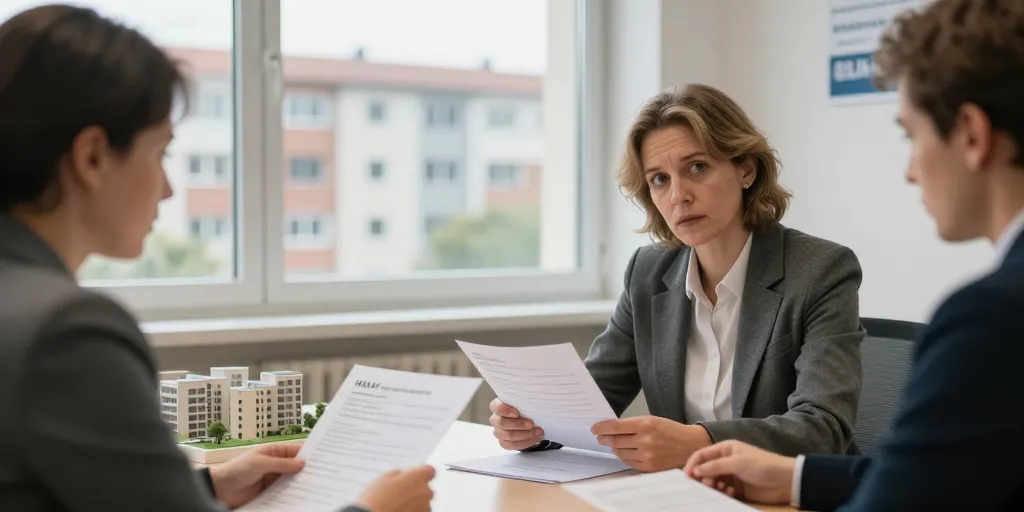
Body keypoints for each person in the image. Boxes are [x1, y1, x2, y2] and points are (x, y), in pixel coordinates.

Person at [0, 5, 434, 512]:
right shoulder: (66, 331)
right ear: (92, 156)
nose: (167, 189)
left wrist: (204, 489)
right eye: (160, 152)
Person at [683, 0, 1024, 510]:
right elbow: (938, 474)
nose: (910, 171)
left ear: (972, 134)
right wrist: (797, 478)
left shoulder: (992, 318)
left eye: (911, 135)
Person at [489, 84, 866, 472]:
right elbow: (588, 403)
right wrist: (533, 426)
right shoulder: (648, 273)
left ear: (746, 170)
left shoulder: (821, 270)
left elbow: (824, 429)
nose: (678, 195)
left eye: (697, 168)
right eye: (659, 179)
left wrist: (697, 441)